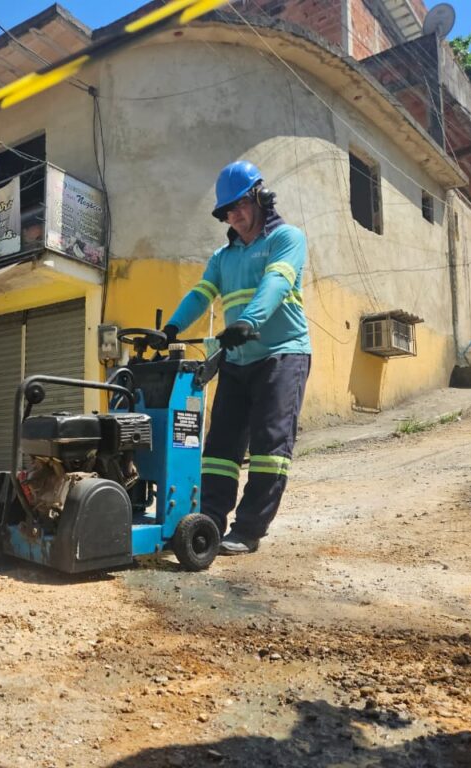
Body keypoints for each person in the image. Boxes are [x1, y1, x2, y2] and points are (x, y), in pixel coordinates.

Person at [163, 161, 311, 555]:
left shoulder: (286, 238)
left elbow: (277, 281)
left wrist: (248, 321)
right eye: (227, 210)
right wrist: (171, 328)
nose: (235, 215)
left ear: (261, 198)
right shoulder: (222, 257)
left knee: (269, 446)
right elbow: (201, 294)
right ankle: (209, 523)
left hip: (282, 355)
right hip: (237, 360)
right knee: (219, 448)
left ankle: (248, 530)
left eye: (241, 204)